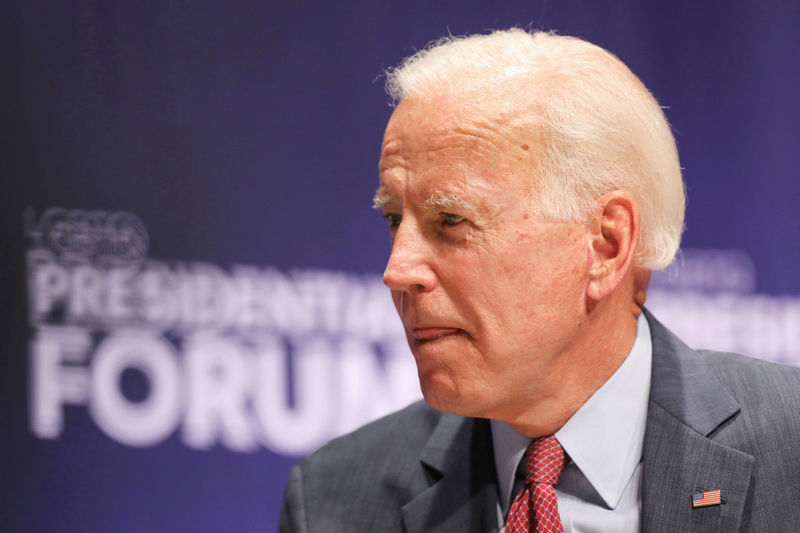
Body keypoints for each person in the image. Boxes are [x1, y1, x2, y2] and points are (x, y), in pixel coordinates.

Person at [279, 29, 800, 532]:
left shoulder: (789, 451)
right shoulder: (334, 499)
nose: (397, 270)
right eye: (395, 220)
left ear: (605, 245)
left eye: (451, 221)